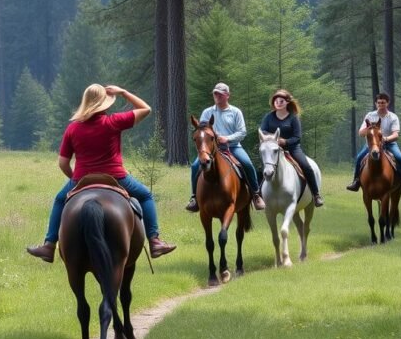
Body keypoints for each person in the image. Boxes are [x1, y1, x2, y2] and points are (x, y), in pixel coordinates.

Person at [26, 84, 176, 263]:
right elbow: (146, 109)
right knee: (145, 196)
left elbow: (63, 163)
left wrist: (76, 179)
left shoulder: (73, 128)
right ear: (104, 103)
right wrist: (123, 92)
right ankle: (155, 241)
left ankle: (49, 245)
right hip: (116, 177)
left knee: (59, 199)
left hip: (82, 178)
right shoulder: (114, 122)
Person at [185, 83, 266, 212]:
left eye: (220, 94)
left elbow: (242, 132)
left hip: (233, 147)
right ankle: (194, 197)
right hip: (211, 149)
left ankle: (256, 194)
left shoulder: (235, 112)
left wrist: (227, 138)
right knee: (195, 166)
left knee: (247, 163)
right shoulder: (207, 112)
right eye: (215, 94)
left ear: (227, 95)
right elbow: (202, 130)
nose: (217, 96)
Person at [259, 89, 324, 207]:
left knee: (306, 166)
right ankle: (258, 195)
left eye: (281, 101)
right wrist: (272, 138)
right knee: (261, 167)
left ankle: (316, 194)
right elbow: (262, 130)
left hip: (292, 148)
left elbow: (297, 137)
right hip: (272, 149)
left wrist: (285, 141)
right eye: (276, 101)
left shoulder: (293, 118)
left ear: (287, 102)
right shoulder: (268, 117)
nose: (278, 102)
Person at [345, 92, 401, 194]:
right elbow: (361, 133)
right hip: (372, 144)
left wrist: (385, 139)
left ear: (388, 103)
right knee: (359, 157)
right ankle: (356, 181)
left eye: (383, 103)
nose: (381, 105)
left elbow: (396, 135)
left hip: (389, 143)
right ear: (376, 103)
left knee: (400, 158)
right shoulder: (370, 115)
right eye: (379, 103)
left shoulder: (393, 117)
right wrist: (369, 129)